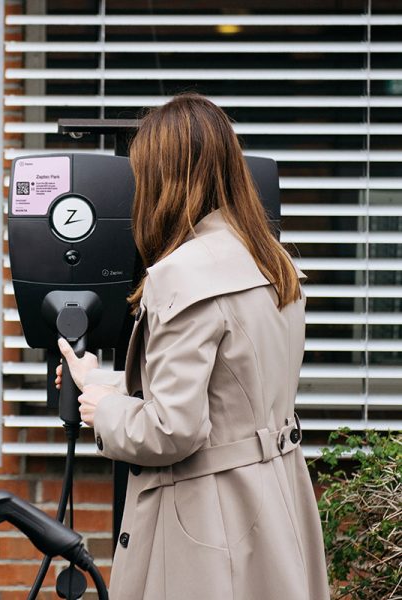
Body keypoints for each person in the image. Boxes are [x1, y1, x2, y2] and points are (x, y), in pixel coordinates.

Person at [57, 94, 329, 599]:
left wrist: (106, 411)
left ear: (164, 179)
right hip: (275, 497)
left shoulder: (182, 274)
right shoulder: (272, 263)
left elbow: (173, 430)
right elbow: (230, 391)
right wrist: (98, 380)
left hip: (206, 520)